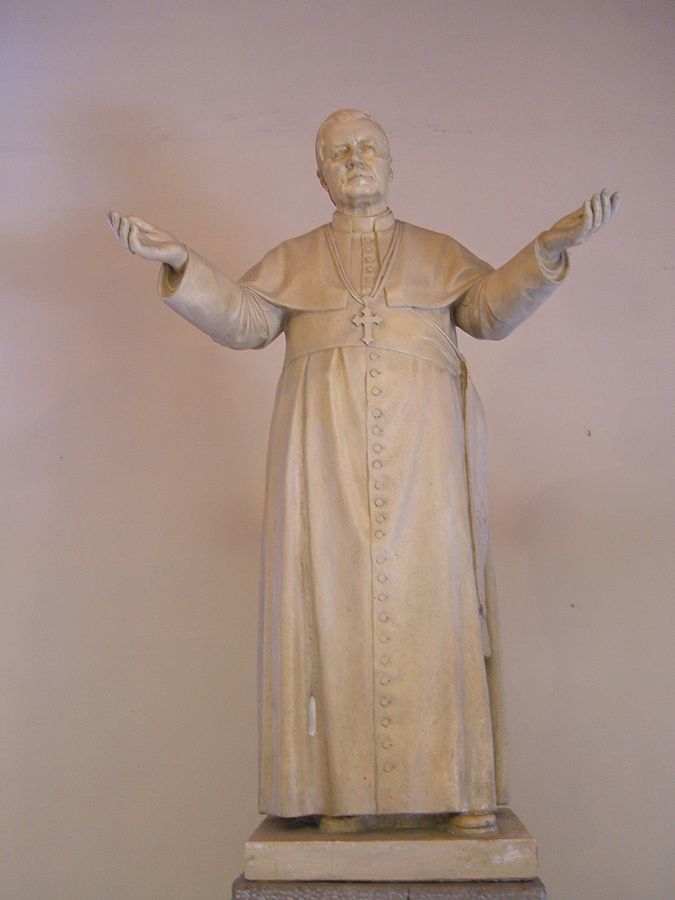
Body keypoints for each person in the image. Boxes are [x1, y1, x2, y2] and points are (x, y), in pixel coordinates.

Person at [108, 109, 619, 832]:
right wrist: (182, 263)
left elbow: (487, 313)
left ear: (391, 161)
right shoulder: (294, 255)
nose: (354, 159)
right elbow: (248, 321)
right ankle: (339, 795)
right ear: (319, 175)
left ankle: (460, 790)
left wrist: (547, 250)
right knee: (330, 608)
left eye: (367, 147)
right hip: (322, 456)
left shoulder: (437, 251)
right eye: (337, 152)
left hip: (423, 459)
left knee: (438, 604)